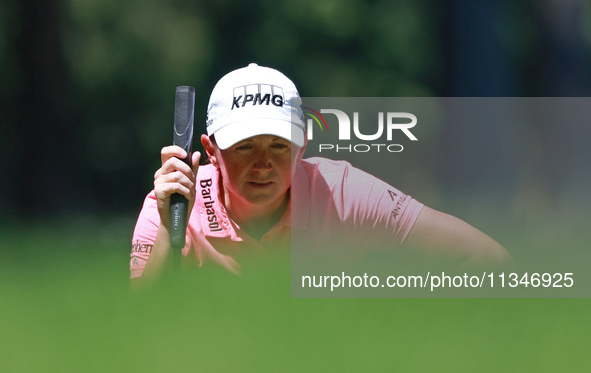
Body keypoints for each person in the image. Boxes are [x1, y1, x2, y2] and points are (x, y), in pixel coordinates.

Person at [130, 63, 511, 285]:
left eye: (279, 145)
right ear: (211, 150)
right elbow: (138, 330)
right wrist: (169, 231)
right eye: (245, 146)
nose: (263, 163)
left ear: (303, 147)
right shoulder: (171, 203)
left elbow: (489, 260)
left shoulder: (341, 191)